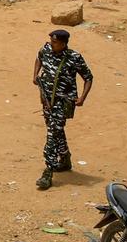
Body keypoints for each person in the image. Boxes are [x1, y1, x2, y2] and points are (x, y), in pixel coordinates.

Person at [33, 29, 93, 190]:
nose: (51, 44)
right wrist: (35, 75)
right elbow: (39, 58)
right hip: (46, 99)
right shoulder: (46, 49)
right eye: (51, 41)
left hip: (63, 101)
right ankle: (65, 157)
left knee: (53, 132)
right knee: (56, 129)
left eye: (55, 42)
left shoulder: (74, 58)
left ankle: (48, 171)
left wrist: (82, 98)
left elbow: (88, 77)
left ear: (63, 44)